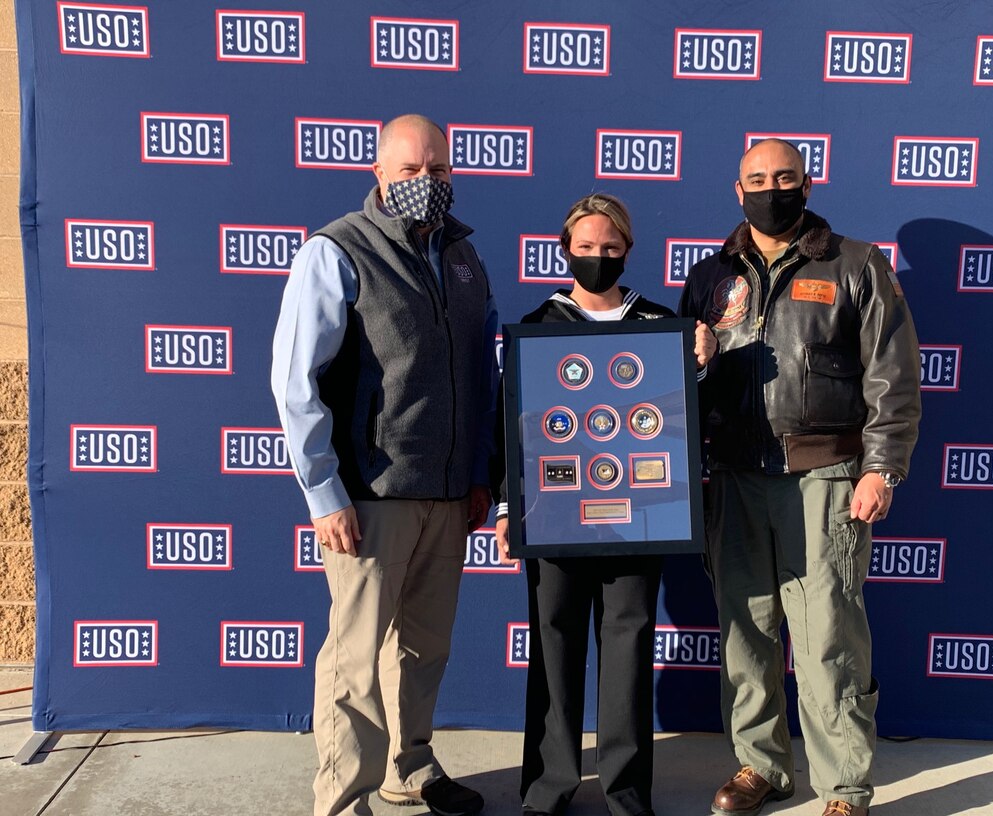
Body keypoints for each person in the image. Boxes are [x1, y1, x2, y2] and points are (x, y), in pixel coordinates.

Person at [678, 139, 921, 816]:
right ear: (737, 189)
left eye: (784, 177)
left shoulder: (856, 265)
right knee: (746, 632)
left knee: (828, 635)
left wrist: (882, 470)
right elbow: (672, 391)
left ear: (807, 184)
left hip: (826, 478)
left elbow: (893, 380)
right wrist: (691, 364)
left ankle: (843, 785)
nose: (771, 188)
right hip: (732, 477)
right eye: (757, 178)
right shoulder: (710, 276)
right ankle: (760, 767)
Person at [271, 114, 497, 816]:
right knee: (355, 659)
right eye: (409, 171)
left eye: (436, 171)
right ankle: (342, 799)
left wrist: (480, 473)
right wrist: (322, 491)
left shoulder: (463, 257)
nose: (424, 183)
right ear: (378, 174)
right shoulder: (337, 251)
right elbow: (294, 380)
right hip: (370, 493)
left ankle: (411, 766)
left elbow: (478, 375)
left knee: (423, 647)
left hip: (449, 491)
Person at [493, 193, 717, 816]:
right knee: (554, 641)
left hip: (639, 514)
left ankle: (625, 792)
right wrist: (510, 509)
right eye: (586, 248)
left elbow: (677, 418)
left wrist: (700, 364)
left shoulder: (658, 322)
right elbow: (514, 431)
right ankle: (548, 787)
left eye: (610, 249)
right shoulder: (537, 326)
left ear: (628, 252)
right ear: (565, 250)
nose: (598, 258)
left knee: (628, 646)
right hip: (554, 514)